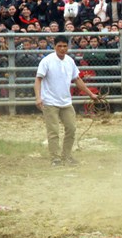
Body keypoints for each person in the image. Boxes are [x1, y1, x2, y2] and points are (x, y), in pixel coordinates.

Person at [34, 36, 99, 166]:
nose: (63, 49)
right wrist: (38, 97)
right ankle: (55, 158)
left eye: (65, 46)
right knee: (53, 131)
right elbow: (38, 79)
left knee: (71, 128)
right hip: (50, 101)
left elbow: (77, 79)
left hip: (66, 101)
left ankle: (67, 155)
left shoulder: (70, 61)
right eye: (60, 46)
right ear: (54, 46)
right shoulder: (46, 61)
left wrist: (91, 94)